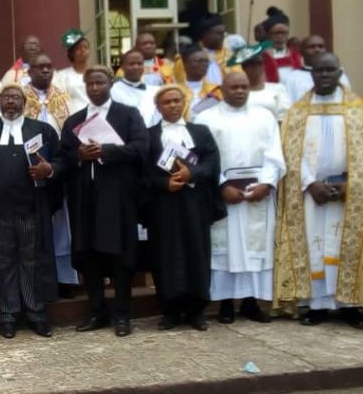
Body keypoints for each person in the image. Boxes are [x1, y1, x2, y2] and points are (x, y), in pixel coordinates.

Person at [274, 53, 363, 328]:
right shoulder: (297, 112)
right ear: (311, 74)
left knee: (346, 246)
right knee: (315, 245)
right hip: (311, 191)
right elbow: (290, 153)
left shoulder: (358, 110)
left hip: (349, 191)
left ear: (339, 73)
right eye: (319, 71)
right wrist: (309, 183)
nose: (324, 75)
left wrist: (351, 184)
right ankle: (317, 305)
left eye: (330, 70)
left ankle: (350, 305)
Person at [56, 66, 148, 337]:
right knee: (89, 254)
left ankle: (122, 315)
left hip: (117, 196)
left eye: (100, 82)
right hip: (85, 195)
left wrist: (106, 150)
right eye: (90, 84)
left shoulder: (128, 114)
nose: (95, 88)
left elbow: (141, 147)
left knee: (120, 255)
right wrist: (79, 155)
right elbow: (63, 157)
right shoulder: (74, 120)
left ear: (110, 83)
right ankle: (96, 312)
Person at [0, 82, 59, 338]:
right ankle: (8, 313)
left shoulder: (42, 130)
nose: (10, 101)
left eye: (15, 97)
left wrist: (49, 170)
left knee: (32, 261)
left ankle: (36, 312)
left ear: (25, 101)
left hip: (31, 209)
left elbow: (61, 162)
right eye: (5, 97)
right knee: (3, 261)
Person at [196, 72, 284, 324]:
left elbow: (274, 153)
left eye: (244, 87)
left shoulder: (264, 116)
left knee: (256, 248)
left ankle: (250, 302)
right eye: (234, 87)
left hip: (258, 192)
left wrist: (267, 183)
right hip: (224, 192)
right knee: (226, 249)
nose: (240, 91)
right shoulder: (206, 118)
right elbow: (202, 157)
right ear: (221, 89)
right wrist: (221, 185)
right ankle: (225, 303)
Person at [143, 85, 224, 331]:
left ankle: (196, 310)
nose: (173, 106)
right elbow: (142, 172)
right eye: (166, 102)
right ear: (158, 107)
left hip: (194, 202)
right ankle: (170, 310)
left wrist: (192, 173)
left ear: (184, 102)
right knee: (165, 254)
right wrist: (164, 183)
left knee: (196, 251)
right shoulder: (148, 136)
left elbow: (212, 162)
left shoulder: (200, 132)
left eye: (177, 101)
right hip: (163, 203)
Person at [21, 54, 76, 292]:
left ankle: (64, 278)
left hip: (57, 165)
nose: (45, 71)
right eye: (39, 67)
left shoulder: (62, 96)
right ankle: (38, 279)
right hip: (28, 169)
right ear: (29, 71)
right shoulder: (19, 96)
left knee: (63, 225)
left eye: (48, 66)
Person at [230, 42, 291, 121]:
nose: (256, 67)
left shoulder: (278, 89)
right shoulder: (238, 92)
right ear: (244, 67)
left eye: (259, 63)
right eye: (251, 64)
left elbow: (284, 117)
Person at [281, 35, 351, 104]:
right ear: (301, 51)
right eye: (312, 47)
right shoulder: (291, 78)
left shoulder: (339, 75)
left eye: (321, 46)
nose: (317, 50)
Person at [176, 14, 237, 86]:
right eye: (219, 33)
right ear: (205, 34)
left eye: (224, 32)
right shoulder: (187, 56)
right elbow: (181, 83)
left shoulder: (230, 55)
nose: (224, 36)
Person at [111, 49, 161, 127]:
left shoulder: (155, 91)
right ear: (122, 67)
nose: (136, 67)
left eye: (139, 64)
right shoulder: (113, 91)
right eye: (131, 64)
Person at [52, 28, 91, 114]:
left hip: (95, 115)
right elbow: (59, 100)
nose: (83, 50)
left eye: (86, 47)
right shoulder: (61, 76)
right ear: (72, 53)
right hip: (74, 116)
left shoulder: (95, 74)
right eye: (79, 48)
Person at [260, 7, 303, 85]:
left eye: (283, 33)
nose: (280, 36)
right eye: (276, 33)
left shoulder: (296, 56)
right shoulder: (260, 57)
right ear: (268, 34)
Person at [178, 44, 222, 117]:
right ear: (185, 64)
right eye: (199, 61)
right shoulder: (175, 90)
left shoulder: (216, 91)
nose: (204, 64)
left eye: (206, 61)